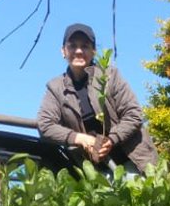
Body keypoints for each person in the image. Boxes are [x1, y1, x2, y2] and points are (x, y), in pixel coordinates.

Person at [36, 23, 159, 175]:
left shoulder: (110, 76)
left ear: (93, 51)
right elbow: (45, 125)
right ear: (63, 51)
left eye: (85, 46)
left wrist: (111, 140)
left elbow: (133, 114)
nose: (79, 51)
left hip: (133, 163)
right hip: (96, 173)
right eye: (72, 46)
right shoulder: (55, 88)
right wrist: (81, 138)